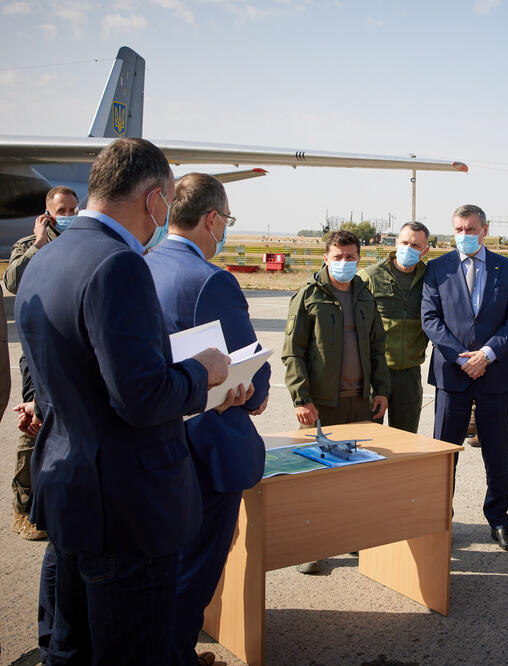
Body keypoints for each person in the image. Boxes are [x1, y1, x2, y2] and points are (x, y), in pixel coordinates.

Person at [14, 137, 230, 664]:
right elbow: (141, 397)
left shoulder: (44, 257)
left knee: (72, 649)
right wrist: (202, 373)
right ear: (156, 199)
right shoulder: (119, 265)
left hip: (70, 490)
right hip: (127, 509)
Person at [145, 173, 270, 666]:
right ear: (212, 218)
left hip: (159, 437)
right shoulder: (212, 280)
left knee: (164, 568)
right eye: (226, 222)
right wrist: (256, 391)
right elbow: (247, 367)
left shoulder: (142, 264)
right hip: (206, 446)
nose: (224, 233)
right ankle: (175, 655)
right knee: (194, 570)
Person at [283, 229, 390, 573]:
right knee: (315, 478)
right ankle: (310, 547)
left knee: (356, 476)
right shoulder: (308, 296)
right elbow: (293, 352)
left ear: (360, 259)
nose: (345, 262)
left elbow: (377, 349)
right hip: (321, 404)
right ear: (326, 258)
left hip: (359, 402)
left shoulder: (364, 296)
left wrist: (382, 390)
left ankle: (352, 537)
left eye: (351, 257)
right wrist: (301, 397)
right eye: (338, 257)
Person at [421, 204, 508, 552]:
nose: (465, 235)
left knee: (496, 453)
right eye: (459, 229)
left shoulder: (507, 268)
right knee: (443, 453)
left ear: (485, 230)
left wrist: (487, 354)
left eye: (471, 229)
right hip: (453, 374)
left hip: (493, 373)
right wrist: (461, 357)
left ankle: (499, 520)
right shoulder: (438, 268)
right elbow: (430, 319)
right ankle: (438, 519)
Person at [5, 185, 79, 541]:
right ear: (47, 213)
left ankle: (58, 500)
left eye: (73, 210)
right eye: (61, 210)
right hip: (37, 350)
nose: (68, 217)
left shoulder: (78, 242)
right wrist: (38, 243)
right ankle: (26, 506)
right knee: (33, 426)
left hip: (68, 347)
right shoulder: (28, 246)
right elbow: (13, 281)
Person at [359, 221, 431, 433]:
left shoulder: (430, 279)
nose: (408, 248)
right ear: (396, 243)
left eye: (416, 245)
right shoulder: (370, 276)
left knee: (405, 438)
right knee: (368, 439)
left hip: (409, 375)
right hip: (375, 373)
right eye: (404, 242)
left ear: (425, 250)